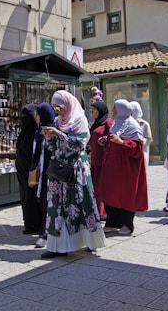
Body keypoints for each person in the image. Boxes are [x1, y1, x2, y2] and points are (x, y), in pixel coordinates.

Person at [41, 90, 105, 258]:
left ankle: (91, 241)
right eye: (55, 108)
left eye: (60, 107)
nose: (58, 111)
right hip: (58, 169)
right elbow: (52, 147)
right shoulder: (57, 121)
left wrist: (59, 134)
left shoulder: (79, 120)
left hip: (76, 170)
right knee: (57, 206)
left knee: (81, 204)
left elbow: (79, 144)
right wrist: (48, 137)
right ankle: (57, 247)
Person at [99, 99, 148, 235]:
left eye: (114, 108)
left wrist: (122, 142)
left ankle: (127, 224)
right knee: (111, 192)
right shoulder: (117, 123)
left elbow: (138, 148)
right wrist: (105, 140)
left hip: (126, 168)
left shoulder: (133, 125)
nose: (112, 110)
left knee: (126, 194)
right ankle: (113, 222)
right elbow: (113, 138)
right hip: (114, 166)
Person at [32, 102, 56, 248]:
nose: (35, 117)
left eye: (38, 114)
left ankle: (45, 233)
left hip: (52, 173)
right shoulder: (38, 132)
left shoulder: (53, 130)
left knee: (49, 202)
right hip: (41, 173)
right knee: (42, 202)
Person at [16, 104, 41, 235]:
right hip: (23, 172)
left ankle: (33, 223)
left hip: (31, 173)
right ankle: (29, 221)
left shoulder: (36, 134)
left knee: (31, 197)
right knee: (26, 197)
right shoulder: (26, 133)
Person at [89, 100, 113, 220]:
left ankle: (103, 212)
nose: (92, 112)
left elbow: (112, 139)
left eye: (94, 110)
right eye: (91, 110)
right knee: (95, 186)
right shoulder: (96, 124)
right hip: (94, 161)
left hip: (103, 161)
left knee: (101, 187)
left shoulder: (108, 123)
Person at [130, 101, 153, 169]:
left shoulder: (144, 124)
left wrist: (140, 143)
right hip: (130, 151)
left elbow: (149, 139)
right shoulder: (126, 123)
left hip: (141, 151)